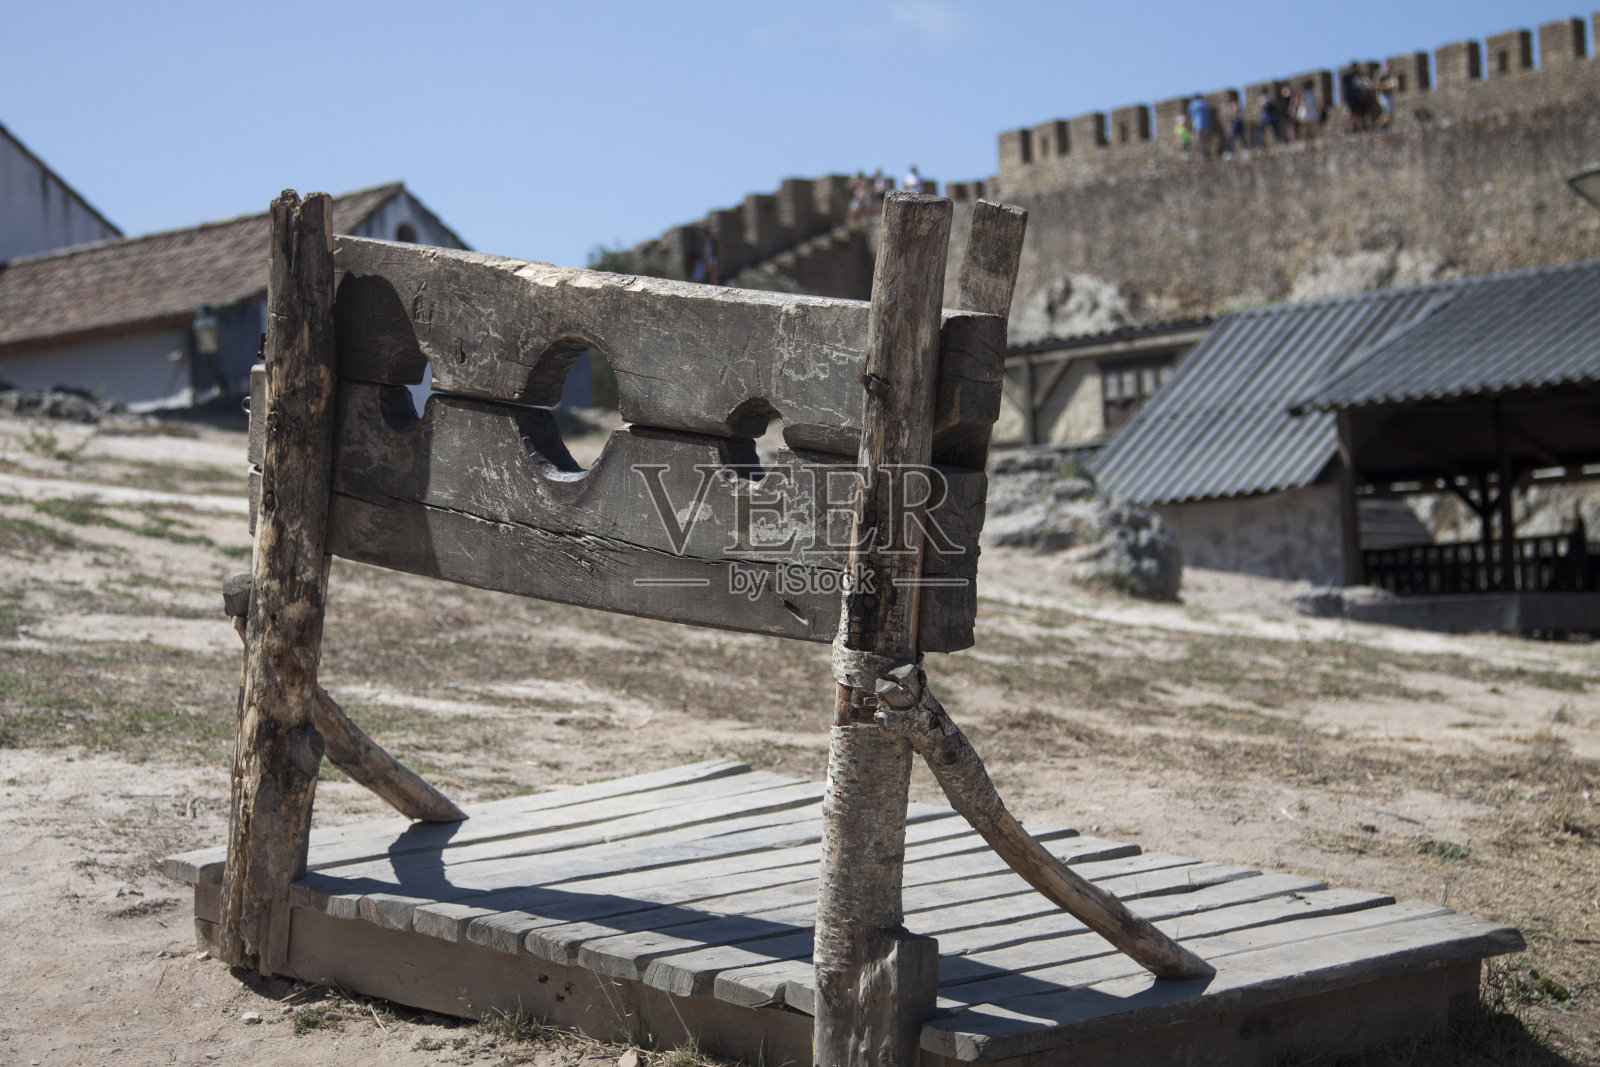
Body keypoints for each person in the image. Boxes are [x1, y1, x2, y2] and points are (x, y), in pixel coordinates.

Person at [1186, 95, 1217, 161]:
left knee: (1199, 142)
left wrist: (1188, 126)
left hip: (1198, 126)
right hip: (1208, 125)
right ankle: (1207, 157)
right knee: (1206, 142)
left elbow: (1188, 116)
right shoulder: (1205, 104)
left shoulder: (1193, 104)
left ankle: (1202, 157)